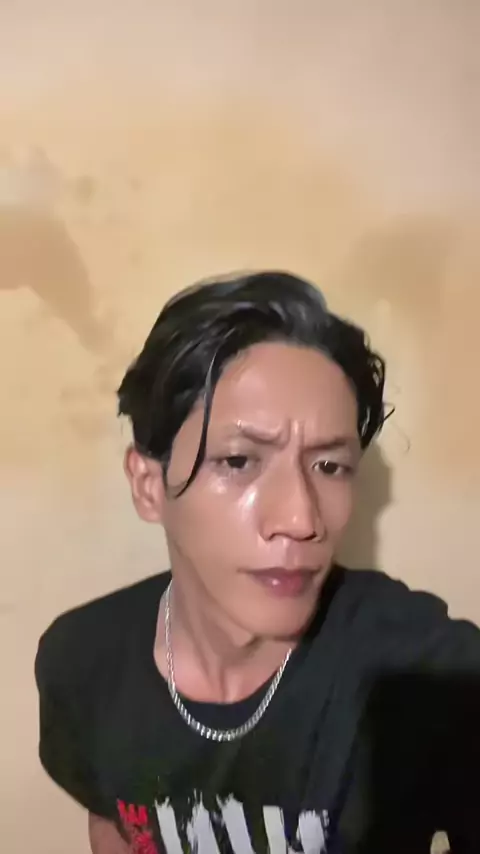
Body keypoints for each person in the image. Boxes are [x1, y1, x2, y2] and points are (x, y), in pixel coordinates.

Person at [35, 271, 480, 854]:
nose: (301, 518)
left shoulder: (426, 676)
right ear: (149, 486)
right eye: (240, 461)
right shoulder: (82, 661)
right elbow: (114, 820)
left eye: (330, 466)